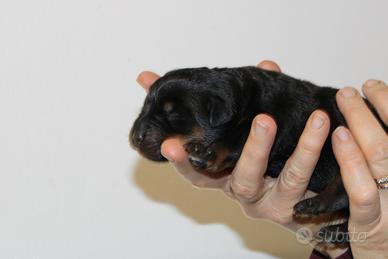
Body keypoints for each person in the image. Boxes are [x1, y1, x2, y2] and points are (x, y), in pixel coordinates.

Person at [136, 60, 388, 259]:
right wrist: (353, 247)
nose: (140, 132)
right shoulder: (253, 96)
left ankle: (339, 202)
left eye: (172, 115)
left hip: (348, 167)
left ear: (216, 111)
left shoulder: (271, 103)